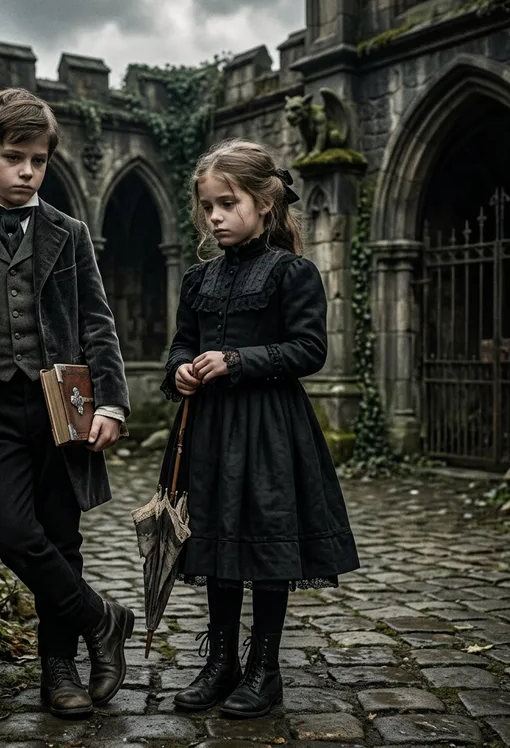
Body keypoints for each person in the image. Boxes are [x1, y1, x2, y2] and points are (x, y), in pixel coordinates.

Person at [0, 88, 135, 718]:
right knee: (12, 533)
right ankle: (102, 616)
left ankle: (58, 670)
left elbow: (98, 324)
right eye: (16, 158)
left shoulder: (69, 233)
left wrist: (112, 404)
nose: (30, 172)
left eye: (39, 160)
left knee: (62, 535)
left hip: (63, 406)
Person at [159, 138, 360, 719]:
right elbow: (180, 345)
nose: (216, 216)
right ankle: (219, 663)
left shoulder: (292, 273)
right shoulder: (198, 282)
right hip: (208, 428)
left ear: (264, 203)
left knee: (268, 545)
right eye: (208, 207)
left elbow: (309, 349)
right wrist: (180, 372)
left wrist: (238, 361)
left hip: (270, 428)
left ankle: (263, 669)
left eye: (228, 203)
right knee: (216, 541)